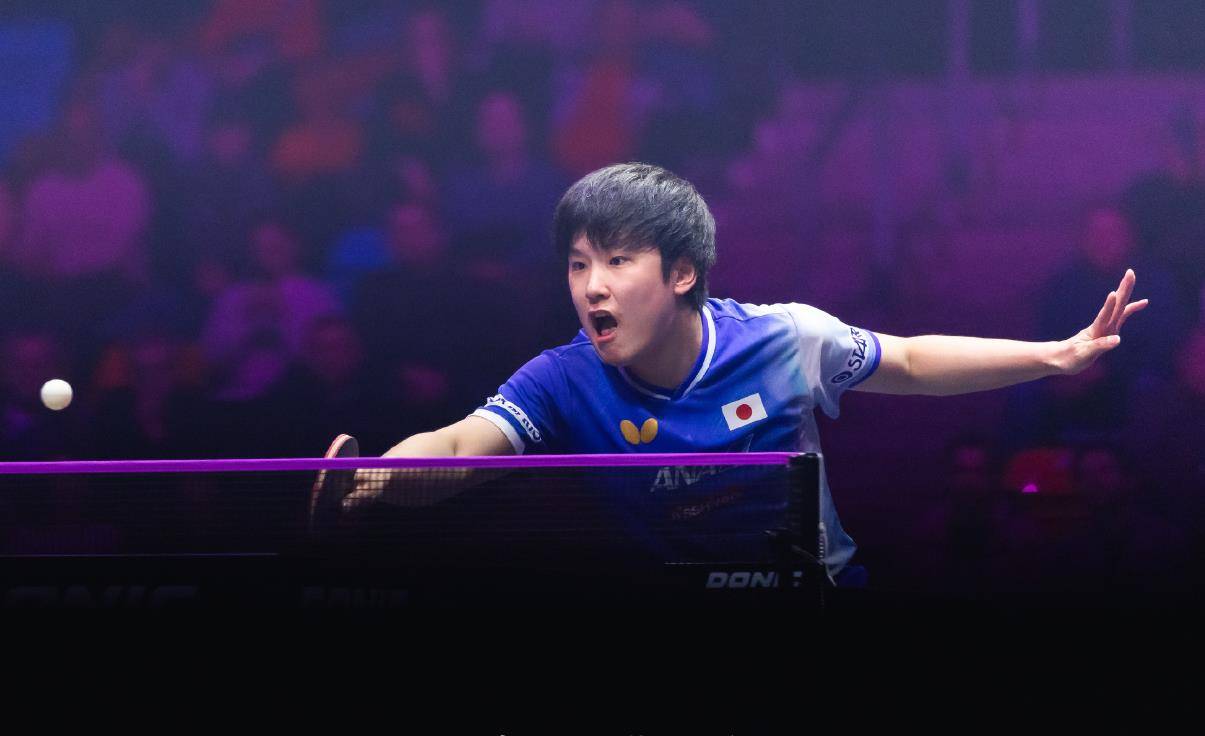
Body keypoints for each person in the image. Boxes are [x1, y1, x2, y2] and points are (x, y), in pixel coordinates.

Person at [344, 162, 1147, 583]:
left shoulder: (781, 339)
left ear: (682, 272)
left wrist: (1053, 355)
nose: (591, 286)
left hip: (810, 603)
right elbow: (460, 446)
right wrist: (375, 479)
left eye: (617, 260)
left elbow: (906, 358)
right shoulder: (561, 378)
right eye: (579, 263)